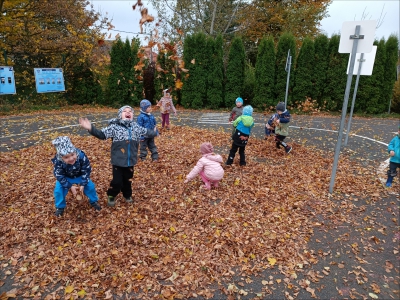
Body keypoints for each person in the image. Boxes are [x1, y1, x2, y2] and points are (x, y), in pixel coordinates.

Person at [79, 105, 158, 207]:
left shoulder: (136, 127)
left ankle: (127, 195)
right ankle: (111, 195)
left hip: (131, 161)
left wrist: (154, 132)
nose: (128, 112)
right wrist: (90, 128)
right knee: (117, 182)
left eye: (130, 111)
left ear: (133, 115)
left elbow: (147, 132)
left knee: (128, 181)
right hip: (118, 161)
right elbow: (101, 134)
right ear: (120, 115)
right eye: (125, 111)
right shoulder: (114, 127)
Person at [51, 136, 101, 217]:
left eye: (72, 155)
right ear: (61, 157)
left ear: (75, 152)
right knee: (58, 191)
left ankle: (94, 201)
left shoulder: (81, 156)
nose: (71, 158)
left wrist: (83, 184)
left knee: (90, 186)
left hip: (80, 175)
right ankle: (60, 207)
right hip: (66, 177)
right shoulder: (58, 162)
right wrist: (70, 187)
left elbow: (86, 170)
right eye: (66, 157)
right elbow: (59, 175)